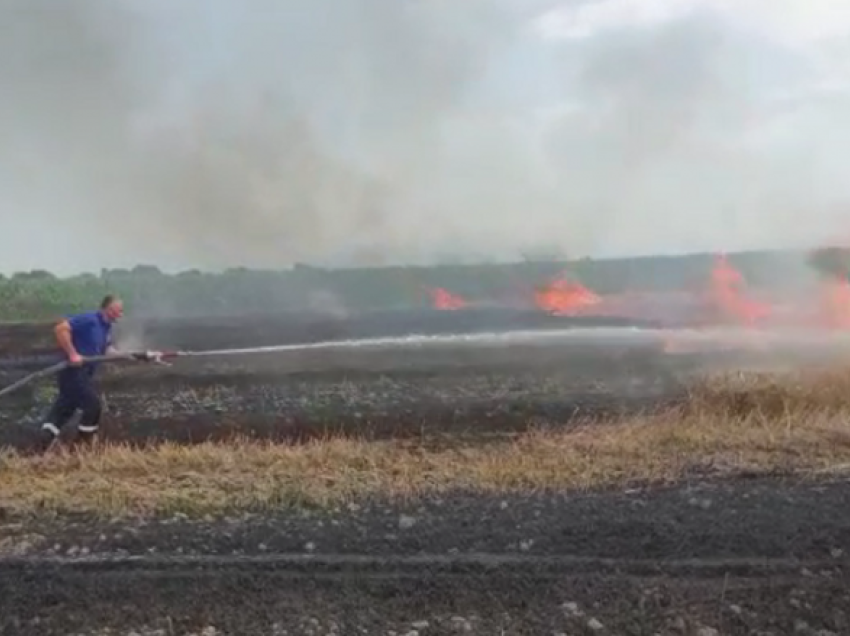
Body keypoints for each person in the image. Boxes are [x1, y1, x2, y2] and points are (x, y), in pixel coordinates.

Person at [37, 295, 125, 452]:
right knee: (92, 405)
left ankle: (41, 444)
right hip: (73, 372)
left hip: (84, 374)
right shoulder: (89, 319)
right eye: (119, 311)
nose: (121, 314)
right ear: (109, 309)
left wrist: (124, 355)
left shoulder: (106, 327)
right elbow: (61, 328)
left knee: (64, 409)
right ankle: (81, 448)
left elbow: (106, 350)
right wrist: (72, 354)